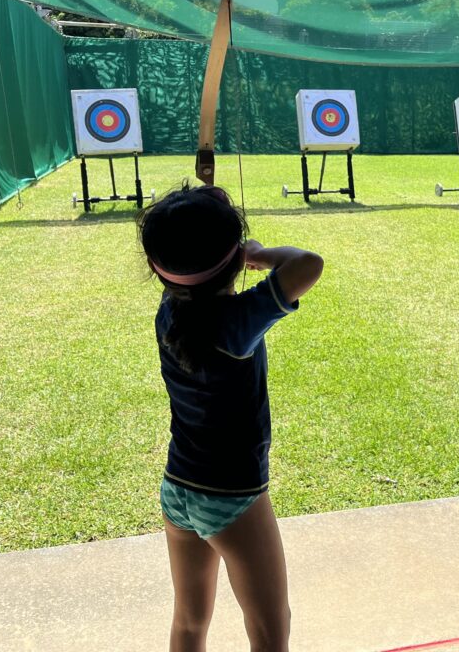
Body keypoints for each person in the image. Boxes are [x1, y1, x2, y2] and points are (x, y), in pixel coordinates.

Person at [137, 183, 323, 652]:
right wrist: (256, 253)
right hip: (232, 497)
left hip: (178, 487)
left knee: (189, 623)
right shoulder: (236, 325)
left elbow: (187, 251)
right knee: (269, 629)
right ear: (232, 256)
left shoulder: (169, 312)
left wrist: (220, 235)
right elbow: (308, 264)